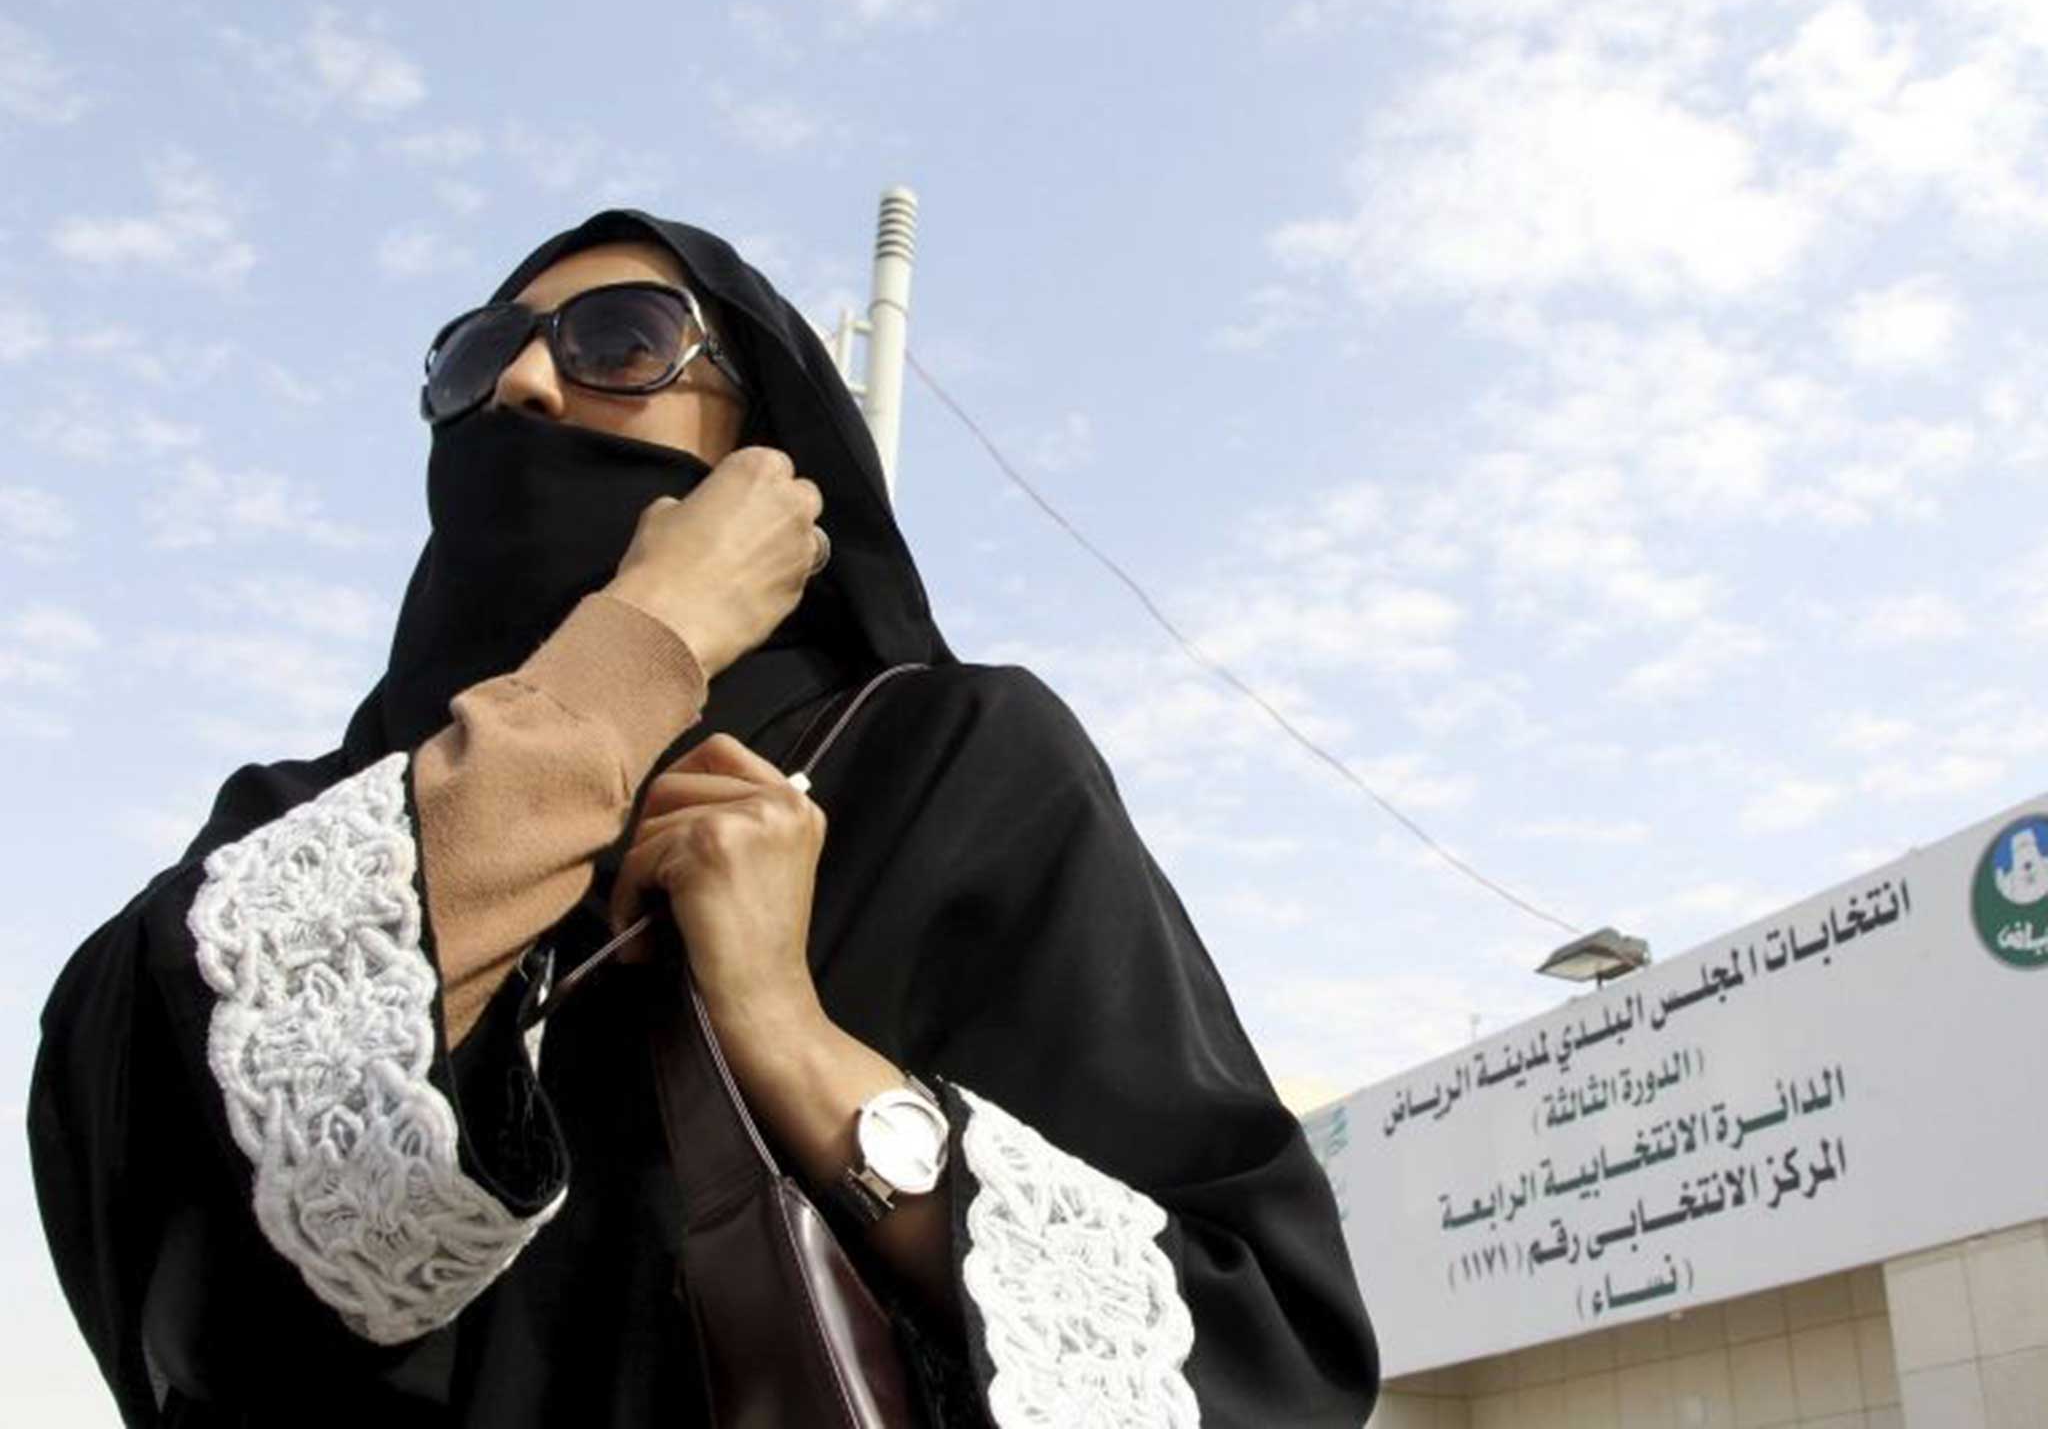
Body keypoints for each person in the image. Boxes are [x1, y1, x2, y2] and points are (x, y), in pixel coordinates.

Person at [28, 208, 1381, 1427]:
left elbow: (1258, 1339)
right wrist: (641, 649)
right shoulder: (301, 829)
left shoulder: (946, 766)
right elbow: (151, 1174)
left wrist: (798, 1048)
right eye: (472, 358)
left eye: (618, 340)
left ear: (762, 450)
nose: (523, 382)